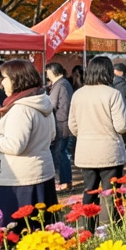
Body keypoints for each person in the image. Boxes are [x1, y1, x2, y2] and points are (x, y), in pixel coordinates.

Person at [0, 60, 57, 225]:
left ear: (17, 79)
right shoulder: (40, 101)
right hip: (39, 172)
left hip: (20, 179)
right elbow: (51, 135)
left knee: (16, 234)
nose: (2, 82)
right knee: (40, 233)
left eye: (4, 77)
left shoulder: (21, 108)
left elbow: (14, 145)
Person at [68, 56, 126, 228]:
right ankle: (113, 228)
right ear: (108, 72)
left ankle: (88, 228)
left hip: (85, 151)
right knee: (111, 193)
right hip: (109, 150)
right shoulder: (113, 94)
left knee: (89, 190)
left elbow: (72, 126)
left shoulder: (78, 94)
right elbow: (122, 125)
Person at [44, 62, 74, 191]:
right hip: (62, 122)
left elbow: (52, 104)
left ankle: (65, 181)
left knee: (60, 152)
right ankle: (65, 180)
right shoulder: (62, 83)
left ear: (51, 72)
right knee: (60, 152)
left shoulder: (60, 84)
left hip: (61, 124)